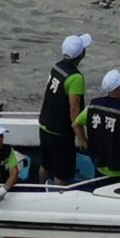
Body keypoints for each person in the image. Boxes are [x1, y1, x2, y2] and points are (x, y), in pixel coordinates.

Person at [36, 33, 92, 184]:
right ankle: (58, 196)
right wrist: (82, 139)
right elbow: (74, 110)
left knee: (46, 164)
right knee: (62, 172)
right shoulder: (76, 78)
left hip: (45, 123)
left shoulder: (57, 66)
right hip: (60, 132)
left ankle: (41, 188)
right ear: (82, 54)